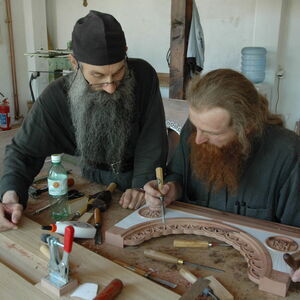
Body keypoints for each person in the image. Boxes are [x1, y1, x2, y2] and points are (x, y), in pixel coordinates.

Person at [0, 11, 168, 232]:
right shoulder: (55, 97)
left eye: (118, 73)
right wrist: (11, 195)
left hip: (138, 181)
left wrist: (142, 184)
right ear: (74, 62)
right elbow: (23, 151)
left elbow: (152, 137)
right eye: (98, 76)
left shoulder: (144, 75)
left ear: (125, 54)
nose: (110, 87)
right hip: (92, 181)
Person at [145, 68, 300, 282]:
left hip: (251, 274)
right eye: (196, 127)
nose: (198, 139)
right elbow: (177, 175)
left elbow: (295, 235)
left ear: (246, 128)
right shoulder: (195, 130)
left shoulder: (288, 154)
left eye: (211, 133)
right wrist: (170, 190)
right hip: (191, 255)